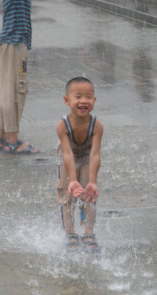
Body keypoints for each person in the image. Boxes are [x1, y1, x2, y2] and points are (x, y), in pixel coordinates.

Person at [56, 77, 104, 253]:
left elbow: (95, 154)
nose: (83, 101)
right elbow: (67, 154)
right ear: (67, 100)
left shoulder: (97, 126)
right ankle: (69, 234)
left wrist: (92, 181)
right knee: (67, 196)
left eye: (88, 96)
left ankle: (88, 233)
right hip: (66, 157)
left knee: (89, 195)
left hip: (87, 157)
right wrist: (72, 180)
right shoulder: (63, 126)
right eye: (78, 96)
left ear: (94, 100)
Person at [0, 0, 39, 154]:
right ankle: (12, 140)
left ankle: (3, 136)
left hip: (10, 42)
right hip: (16, 44)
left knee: (5, 89)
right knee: (16, 90)